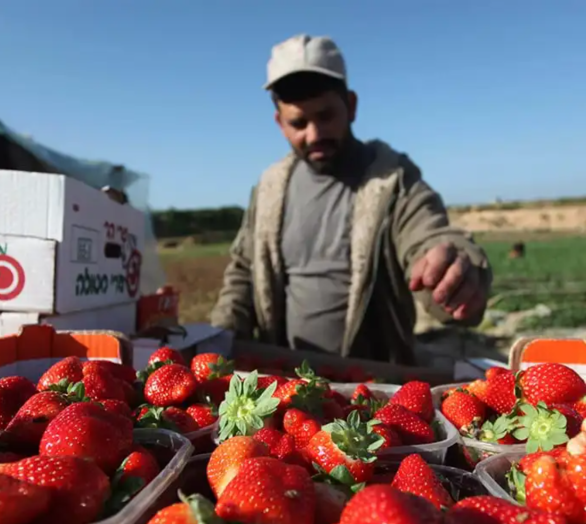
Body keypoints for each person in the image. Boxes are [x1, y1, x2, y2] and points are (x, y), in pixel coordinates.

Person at [210, 34, 493, 365]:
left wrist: (452, 270)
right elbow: (244, 271)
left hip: (374, 387)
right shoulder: (269, 188)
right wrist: (222, 335)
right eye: (298, 123)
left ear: (352, 106)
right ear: (279, 124)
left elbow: (427, 235)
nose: (314, 134)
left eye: (326, 115)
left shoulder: (392, 179)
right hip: (286, 385)